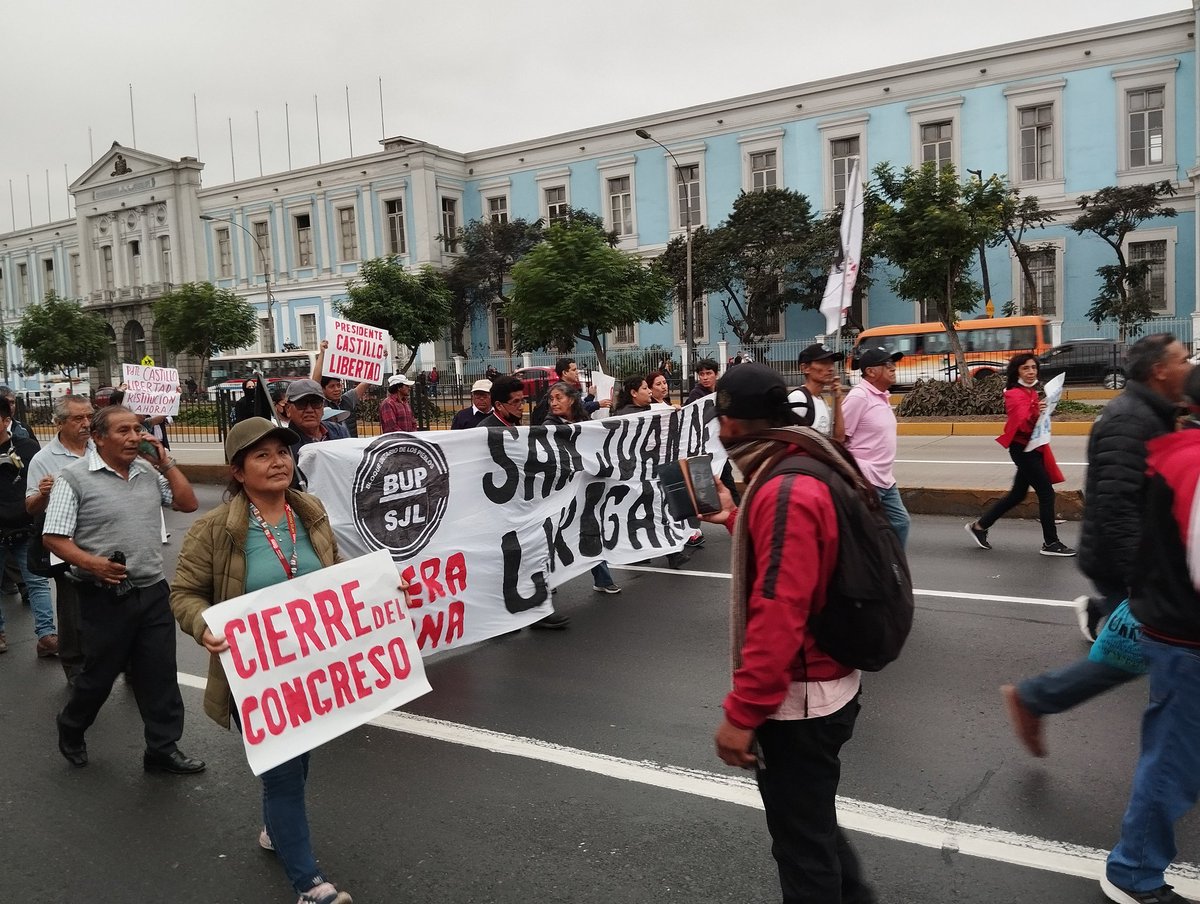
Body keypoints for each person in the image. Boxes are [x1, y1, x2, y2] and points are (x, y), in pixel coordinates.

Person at [701, 362, 876, 904]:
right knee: (811, 820)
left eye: (721, 420)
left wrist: (742, 713)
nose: (720, 431)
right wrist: (736, 517)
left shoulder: (783, 490)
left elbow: (779, 610)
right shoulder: (809, 460)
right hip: (831, 683)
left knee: (802, 848)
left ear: (732, 423)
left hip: (801, 701)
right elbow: (797, 553)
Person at [171, 418, 355, 904]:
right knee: (283, 774)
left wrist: (379, 587)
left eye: (283, 452)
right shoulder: (215, 529)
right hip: (254, 677)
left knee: (300, 757)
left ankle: (276, 830)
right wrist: (202, 626)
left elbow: (334, 571)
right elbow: (184, 593)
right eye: (262, 455)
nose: (278, 462)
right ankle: (310, 885)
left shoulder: (310, 510)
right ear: (237, 471)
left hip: (312, 666)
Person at [1001, 334, 1192, 758]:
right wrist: (1143, 580)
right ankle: (1036, 698)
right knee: (1154, 650)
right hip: (1123, 563)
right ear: (1160, 370)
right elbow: (1116, 508)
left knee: (1139, 652)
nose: (1190, 365)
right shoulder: (1130, 420)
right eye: (1183, 359)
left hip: (1140, 561)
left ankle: (1037, 695)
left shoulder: (1155, 413)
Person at [45, 405, 203, 773]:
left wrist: (165, 462)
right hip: (104, 595)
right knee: (99, 677)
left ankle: (162, 749)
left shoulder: (147, 472)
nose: (134, 437)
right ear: (98, 438)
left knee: (159, 673)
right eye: (123, 431)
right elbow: (53, 537)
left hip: (152, 590)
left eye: (136, 429)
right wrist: (93, 563)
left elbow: (187, 503)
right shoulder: (74, 478)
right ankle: (72, 725)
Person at [1099, 418, 1200, 904]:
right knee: (1171, 763)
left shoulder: (1176, 451)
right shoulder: (1191, 460)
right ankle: (1133, 871)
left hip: (1171, 625)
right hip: (1185, 636)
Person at [482, 376, 570, 629]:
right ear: (499, 406)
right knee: (505, 566)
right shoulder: (484, 432)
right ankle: (504, 617)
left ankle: (537, 611)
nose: (522, 406)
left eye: (523, 400)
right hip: (500, 514)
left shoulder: (516, 427)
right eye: (516, 402)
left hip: (523, 508)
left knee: (532, 557)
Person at [965, 353, 1075, 557]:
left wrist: (1042, 409)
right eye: (1026, 368)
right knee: (1046, 493)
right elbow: (1021, 424)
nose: (1031, 371)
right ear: (1017, 372)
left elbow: (1031, 417)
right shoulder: (1014, 394)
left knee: (1018, 494)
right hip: (1023, 450)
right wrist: (1036, 411)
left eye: (1033, 367)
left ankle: (979, 527)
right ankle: (1051, 543)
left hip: (1031, 447)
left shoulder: (1029, 391)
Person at [25, 395, 94, 682]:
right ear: (59, 423)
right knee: (71, 607)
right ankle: (74, 667)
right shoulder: (43, 459)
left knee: (117, 600)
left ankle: (124, 661)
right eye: (78, 418)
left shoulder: (101, 448)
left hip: (103, 537)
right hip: (65, 542)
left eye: (89, 416)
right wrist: (43, 494)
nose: (86, 423)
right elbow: (30, 507)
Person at [544, 382, 621, 595]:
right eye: (551, 399)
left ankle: (603, 579)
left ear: (571, 400)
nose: (554, 402)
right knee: (555, 536)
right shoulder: (549, 426)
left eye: (559, 398)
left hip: (585, 489)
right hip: (559, 491)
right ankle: (548, 581)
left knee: (590, 530)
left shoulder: (584, 423)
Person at [0, 397, 58, 658]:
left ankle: (46, 636)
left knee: (37, 582)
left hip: (24, 527)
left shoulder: (27, 448)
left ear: (6, 421)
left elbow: (37, 486)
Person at [842, 346, 910, 548]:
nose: (893, 368)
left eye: (893, 363)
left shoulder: (881, 395)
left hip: (885, 479)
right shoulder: (859, 396)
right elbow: (840, 437)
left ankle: (892, 564)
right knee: (864, 532)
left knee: (901, 522)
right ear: (871, 371)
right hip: (867, 479)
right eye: (887, 364)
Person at [312, 340, 372, 438]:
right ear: (322, 389)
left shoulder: (347, 399)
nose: (337, 389)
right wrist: (322, 354)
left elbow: (369, 381)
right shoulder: (321, 404)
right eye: (331, 386)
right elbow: (314, 384)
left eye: (338, 385)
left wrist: (380, 359)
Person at [788, 344, 845, 440]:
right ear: (805, 368)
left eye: (832, 363)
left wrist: (837, 399)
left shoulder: (822, 400)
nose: (831, 368)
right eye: (824, 363)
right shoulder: (798, 398)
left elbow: (839, 439)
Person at [532, 358, 603, 424]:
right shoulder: (558, 390)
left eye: (558, 398)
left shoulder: (568, 388)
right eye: (574, 370)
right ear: (565, 373)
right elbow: (578, 409)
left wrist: (590, 396)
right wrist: (597, 404)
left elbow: (579, 407)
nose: (577, 372)